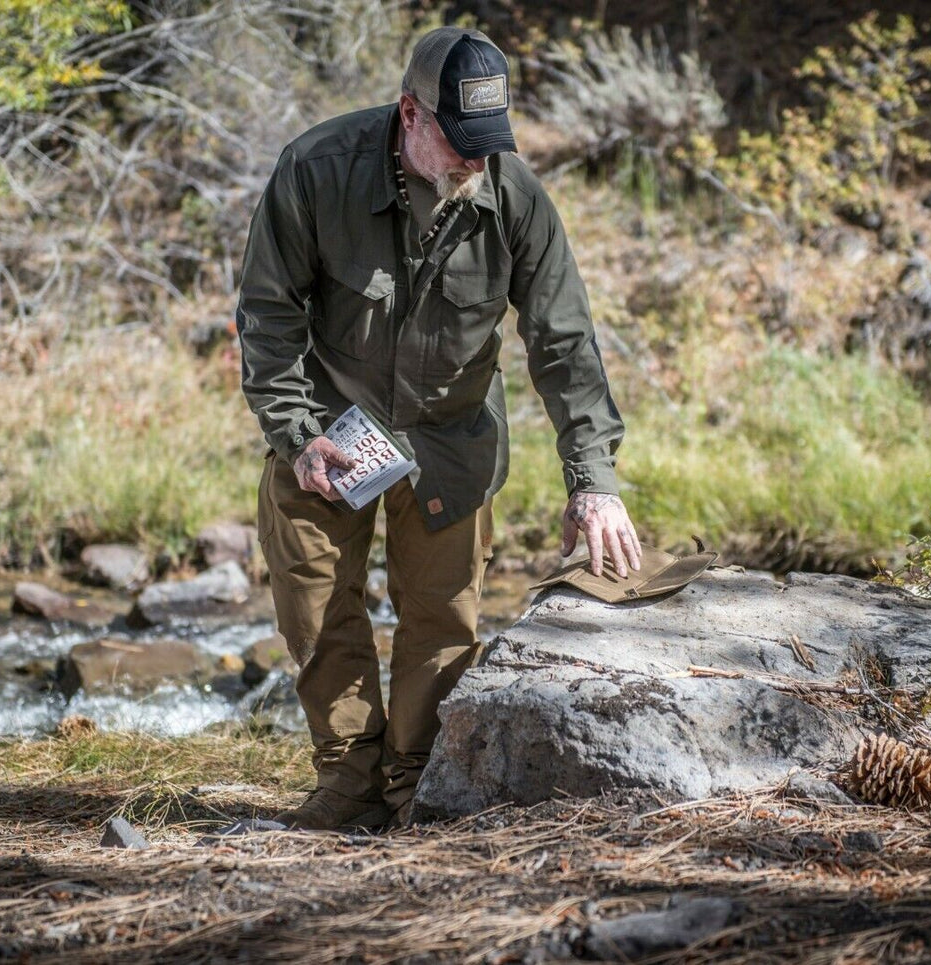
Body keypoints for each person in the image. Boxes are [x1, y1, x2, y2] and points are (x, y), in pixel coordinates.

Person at [237, 25, 642, 831]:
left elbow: (563, 343)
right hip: (329, 430)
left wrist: (592, 480)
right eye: (459, 142)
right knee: (314, 609)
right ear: (408, 115)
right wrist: (294, 430)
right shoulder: (316, 171)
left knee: (441, 624)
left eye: (487, 144)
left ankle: (413, 789)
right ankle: (349, 782)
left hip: (451, 439)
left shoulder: (513, 196)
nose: (473, 162)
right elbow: (268, 315)